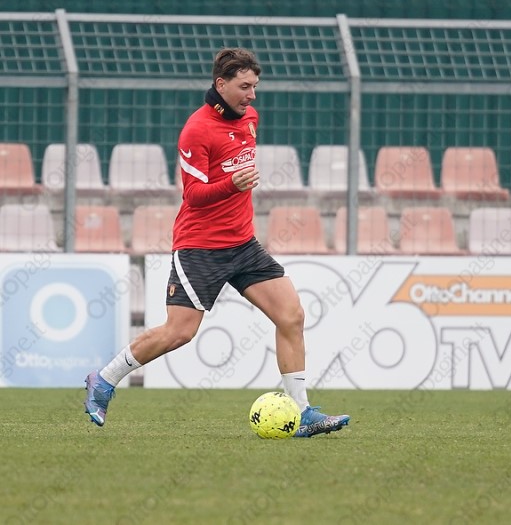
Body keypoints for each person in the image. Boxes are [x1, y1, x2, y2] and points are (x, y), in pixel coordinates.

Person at [84, 48, 350, 437]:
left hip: (243, 245)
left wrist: (235, 188)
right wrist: (232, 184)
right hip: (200, 247)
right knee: (179, 332)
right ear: (220, 84)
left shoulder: (250, 118)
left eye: (255, 87)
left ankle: (302, 413)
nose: (251, 95)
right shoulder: (196, 130)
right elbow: (193, 196)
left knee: (291, 316)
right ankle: (104, 379)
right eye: (244, 87)